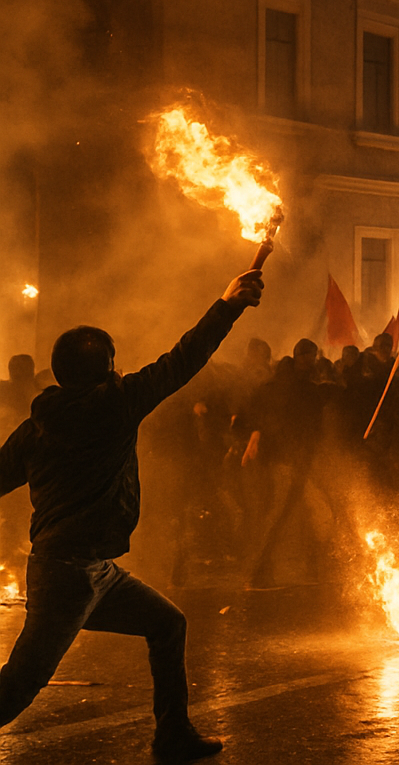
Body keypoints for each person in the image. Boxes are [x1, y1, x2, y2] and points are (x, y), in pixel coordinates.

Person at [0, 268, 264, 762]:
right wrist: (227, 304)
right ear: (105, 369)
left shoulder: (37, 423)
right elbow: (183, 360)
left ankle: (173, 734)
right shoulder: (117, 404)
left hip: (87, 570)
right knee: (18, 686)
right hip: (69, 574)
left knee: (167, 624)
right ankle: (173, 734)